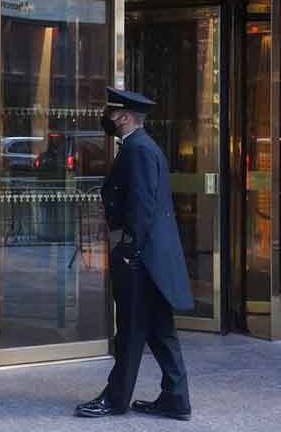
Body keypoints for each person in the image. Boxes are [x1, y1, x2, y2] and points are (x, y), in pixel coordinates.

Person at [75, 87, 194, 420]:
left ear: (124, 117)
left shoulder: (137, 150)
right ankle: (176, 398)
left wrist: (129, 250)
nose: (108, 119)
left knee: (129, 331)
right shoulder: (143, 147)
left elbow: (142, 206)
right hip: (151, 258)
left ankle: (115, 399)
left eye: (112, 114)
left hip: (141, 260)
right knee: (160, 331)